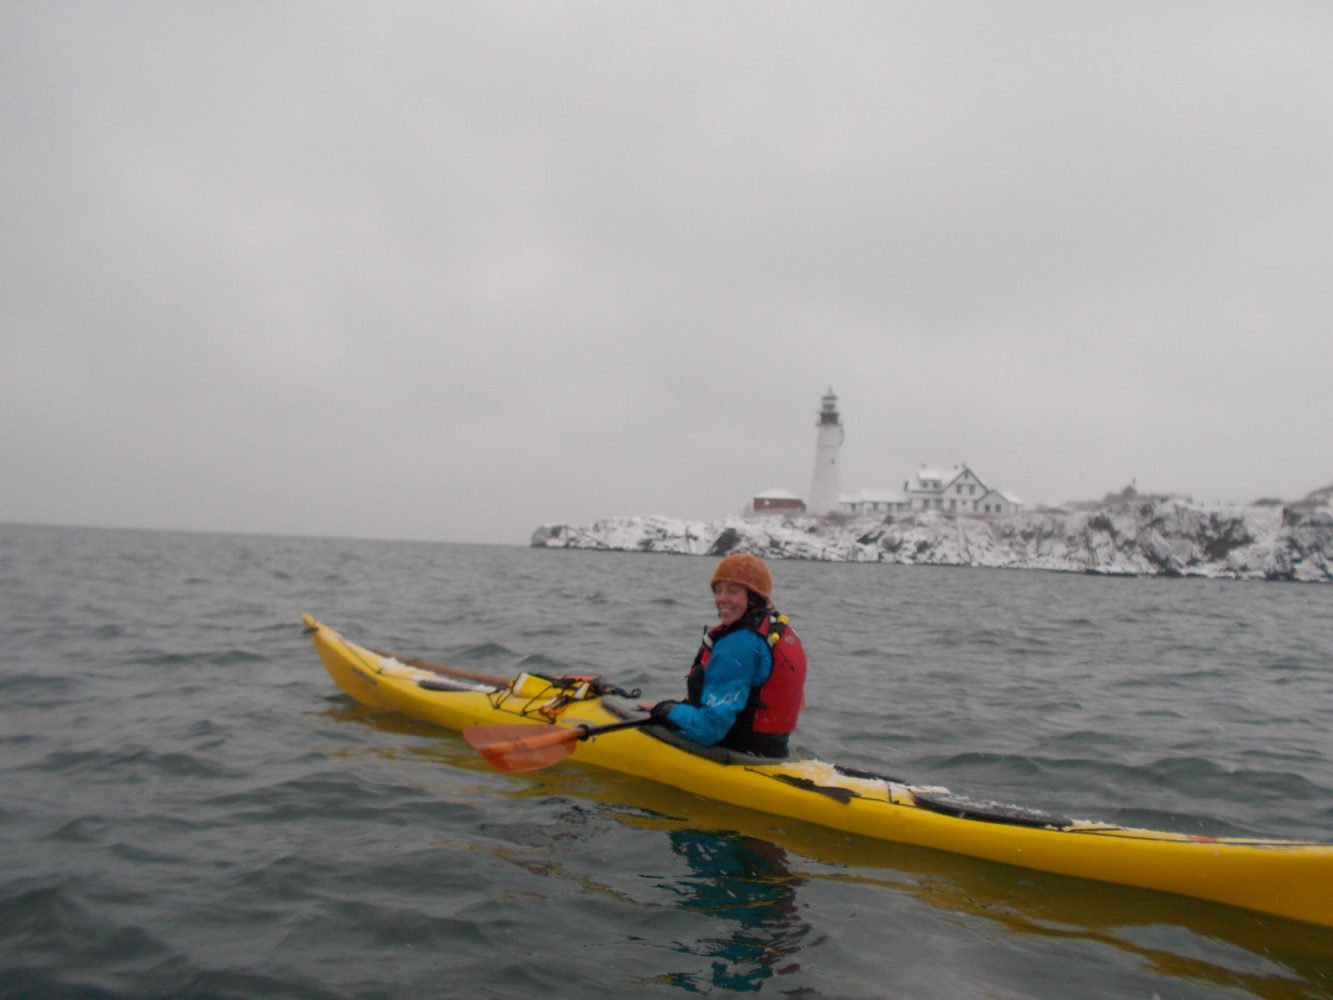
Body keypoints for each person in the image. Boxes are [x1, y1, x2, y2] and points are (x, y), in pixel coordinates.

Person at [649, 553, 807, 759]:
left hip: (736, 751)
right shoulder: (781, 632)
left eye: (733, 591)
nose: (721, 598)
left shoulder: (740, 643)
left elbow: (709, 730)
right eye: (718, 590)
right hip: (774, 752)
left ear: (754, 597)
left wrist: (664, 709)